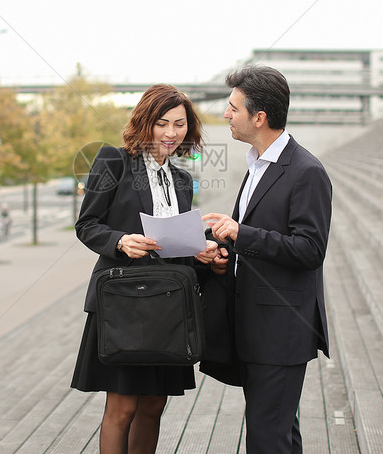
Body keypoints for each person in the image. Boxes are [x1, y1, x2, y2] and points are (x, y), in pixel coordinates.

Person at [71, 84, 218, 454]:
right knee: (122, 408)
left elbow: (175, 245)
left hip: (167, 307)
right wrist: (121, 241)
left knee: (153, 405)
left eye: (179, 124)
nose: (171, 133)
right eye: (162, 123)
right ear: (145, 122)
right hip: (124, 303)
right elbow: (87, 225)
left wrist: (201, 251)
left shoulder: (182, 180)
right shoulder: (112, 161)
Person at [202, 64, 332, 454]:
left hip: (280, 330)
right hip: (256, 327)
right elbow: (258, 239)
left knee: (267, 437)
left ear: (259, 118)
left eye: (233, 108)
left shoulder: (307, 172)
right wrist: (224, 252)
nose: (226, 114)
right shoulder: (257, 165)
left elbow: (310, 250)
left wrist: (241, 233)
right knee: (277, 434)